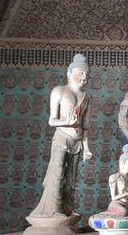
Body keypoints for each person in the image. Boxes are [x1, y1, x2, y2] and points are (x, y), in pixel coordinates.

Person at [27, 54, 92, 220]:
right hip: (62, 138)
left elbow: (85, 126)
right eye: (80, 72)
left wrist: (87, 147)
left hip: (77, 142)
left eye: (86, 73)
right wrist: (66, 121)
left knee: (71, 178)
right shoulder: (60, 91)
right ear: (69, 73)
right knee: (58, 174)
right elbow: (51, 120)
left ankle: (68, 209)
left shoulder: (87, 97)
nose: (84, 77)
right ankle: (53, 210)